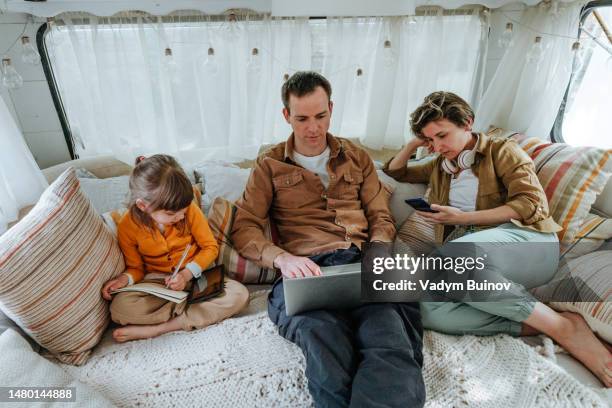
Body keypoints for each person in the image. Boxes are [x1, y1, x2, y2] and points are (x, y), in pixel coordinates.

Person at [384, 91, 612, 388]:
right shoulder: (441, 164)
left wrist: (460, 219)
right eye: (431, 140)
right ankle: (530, 323)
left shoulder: (503, 151)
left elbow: (530, 204)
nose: (437, 146)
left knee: (452, 258)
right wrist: (417, 142)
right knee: (428, 308)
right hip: (469, 257)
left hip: (529, 242)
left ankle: (563, 327)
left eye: (442, 135)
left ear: (467, 123)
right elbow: (394, 170)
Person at [231, 71, 426, 407]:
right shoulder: (269, 166)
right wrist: (282, 259)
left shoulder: (357, 156)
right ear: (286, 115)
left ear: (331, 109)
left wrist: (379, 251)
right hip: (309, 271)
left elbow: (380, 215)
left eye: (320, 116)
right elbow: (244, 227)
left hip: (361, 262)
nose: (313, 128)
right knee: (324, 340)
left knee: (391, 340)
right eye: (302, 118)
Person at [101, 154, 249, 342]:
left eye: (184, 211)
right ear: (143, 205)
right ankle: (195, 310)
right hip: (159, 284)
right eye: (172, 213)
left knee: (239, 295)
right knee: (119, 308)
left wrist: (186, 274)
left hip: (197, 276)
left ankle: (163, 327)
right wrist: (124, 279)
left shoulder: (190, 211)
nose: (180, 217)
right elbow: (136, 268)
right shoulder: (127, 227)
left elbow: (210, 248)